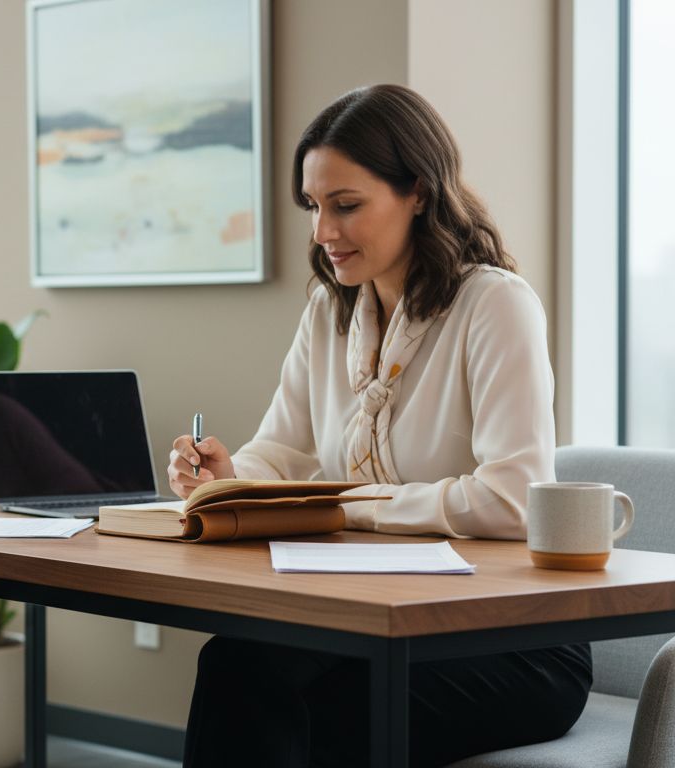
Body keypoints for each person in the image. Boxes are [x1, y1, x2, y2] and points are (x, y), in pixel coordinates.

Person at [166, 85, 592, 767]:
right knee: (237, 665)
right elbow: (281, 449)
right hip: (373, 616)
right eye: (313, 206)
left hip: (511, 641)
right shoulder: (329, 312)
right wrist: (228, 480)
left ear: (418, 191)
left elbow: (514, 500)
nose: (323, 231)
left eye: (347, 205)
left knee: (312, 712)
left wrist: (346, 508)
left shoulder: (495, 306)